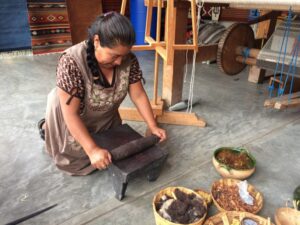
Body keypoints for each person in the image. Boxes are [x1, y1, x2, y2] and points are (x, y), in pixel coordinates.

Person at [39, 12, 167, 176]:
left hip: (105, 119)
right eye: (114, 56)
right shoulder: (71, 61)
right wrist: (92, 150)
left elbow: (138, 94)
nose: (120, 62)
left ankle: (49, 127)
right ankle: (48, 127)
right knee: (79, 160)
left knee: (112, 156)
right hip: (71, 116)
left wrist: (152, 125)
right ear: (97, 41)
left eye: (124, 55)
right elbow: (70, 114)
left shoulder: (129, 60)